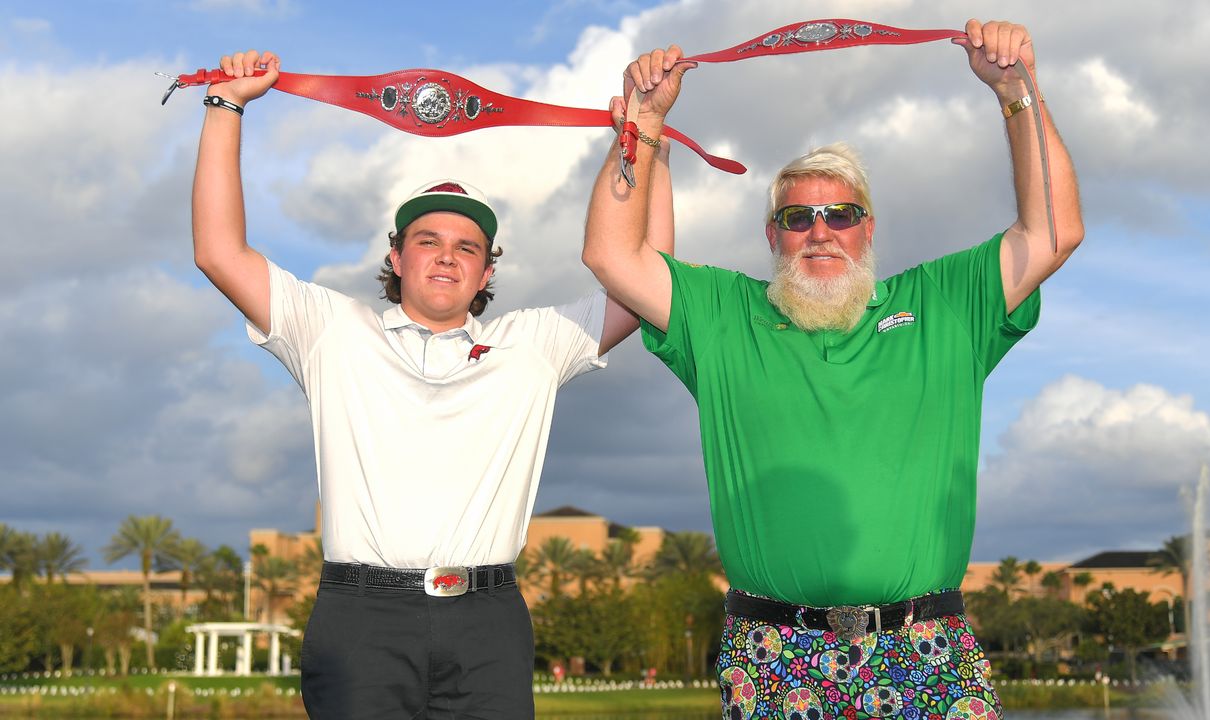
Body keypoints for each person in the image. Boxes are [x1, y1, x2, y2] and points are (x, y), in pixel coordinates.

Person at [582, 20, 1084, 719]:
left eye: (840, 213)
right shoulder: (726, 314)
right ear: (772, 236)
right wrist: (642, 126)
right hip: (771, 653)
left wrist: (1015, 90)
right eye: (797, 218)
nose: (820, 230)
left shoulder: (941, 303)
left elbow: (1055, 231)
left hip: (926, 650)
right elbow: (614, 258)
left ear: (868, 227)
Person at [192, 49, 672, 719]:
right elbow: (218, 251)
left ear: (484, 274)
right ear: (396, 256)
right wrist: (226, 104)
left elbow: (647, 278)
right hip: (361, 621)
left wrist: (646, 138)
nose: (447, 254)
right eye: (427, 240)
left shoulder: (533, 343)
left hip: (488, 622)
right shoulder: (330, 328)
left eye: (467, 246)